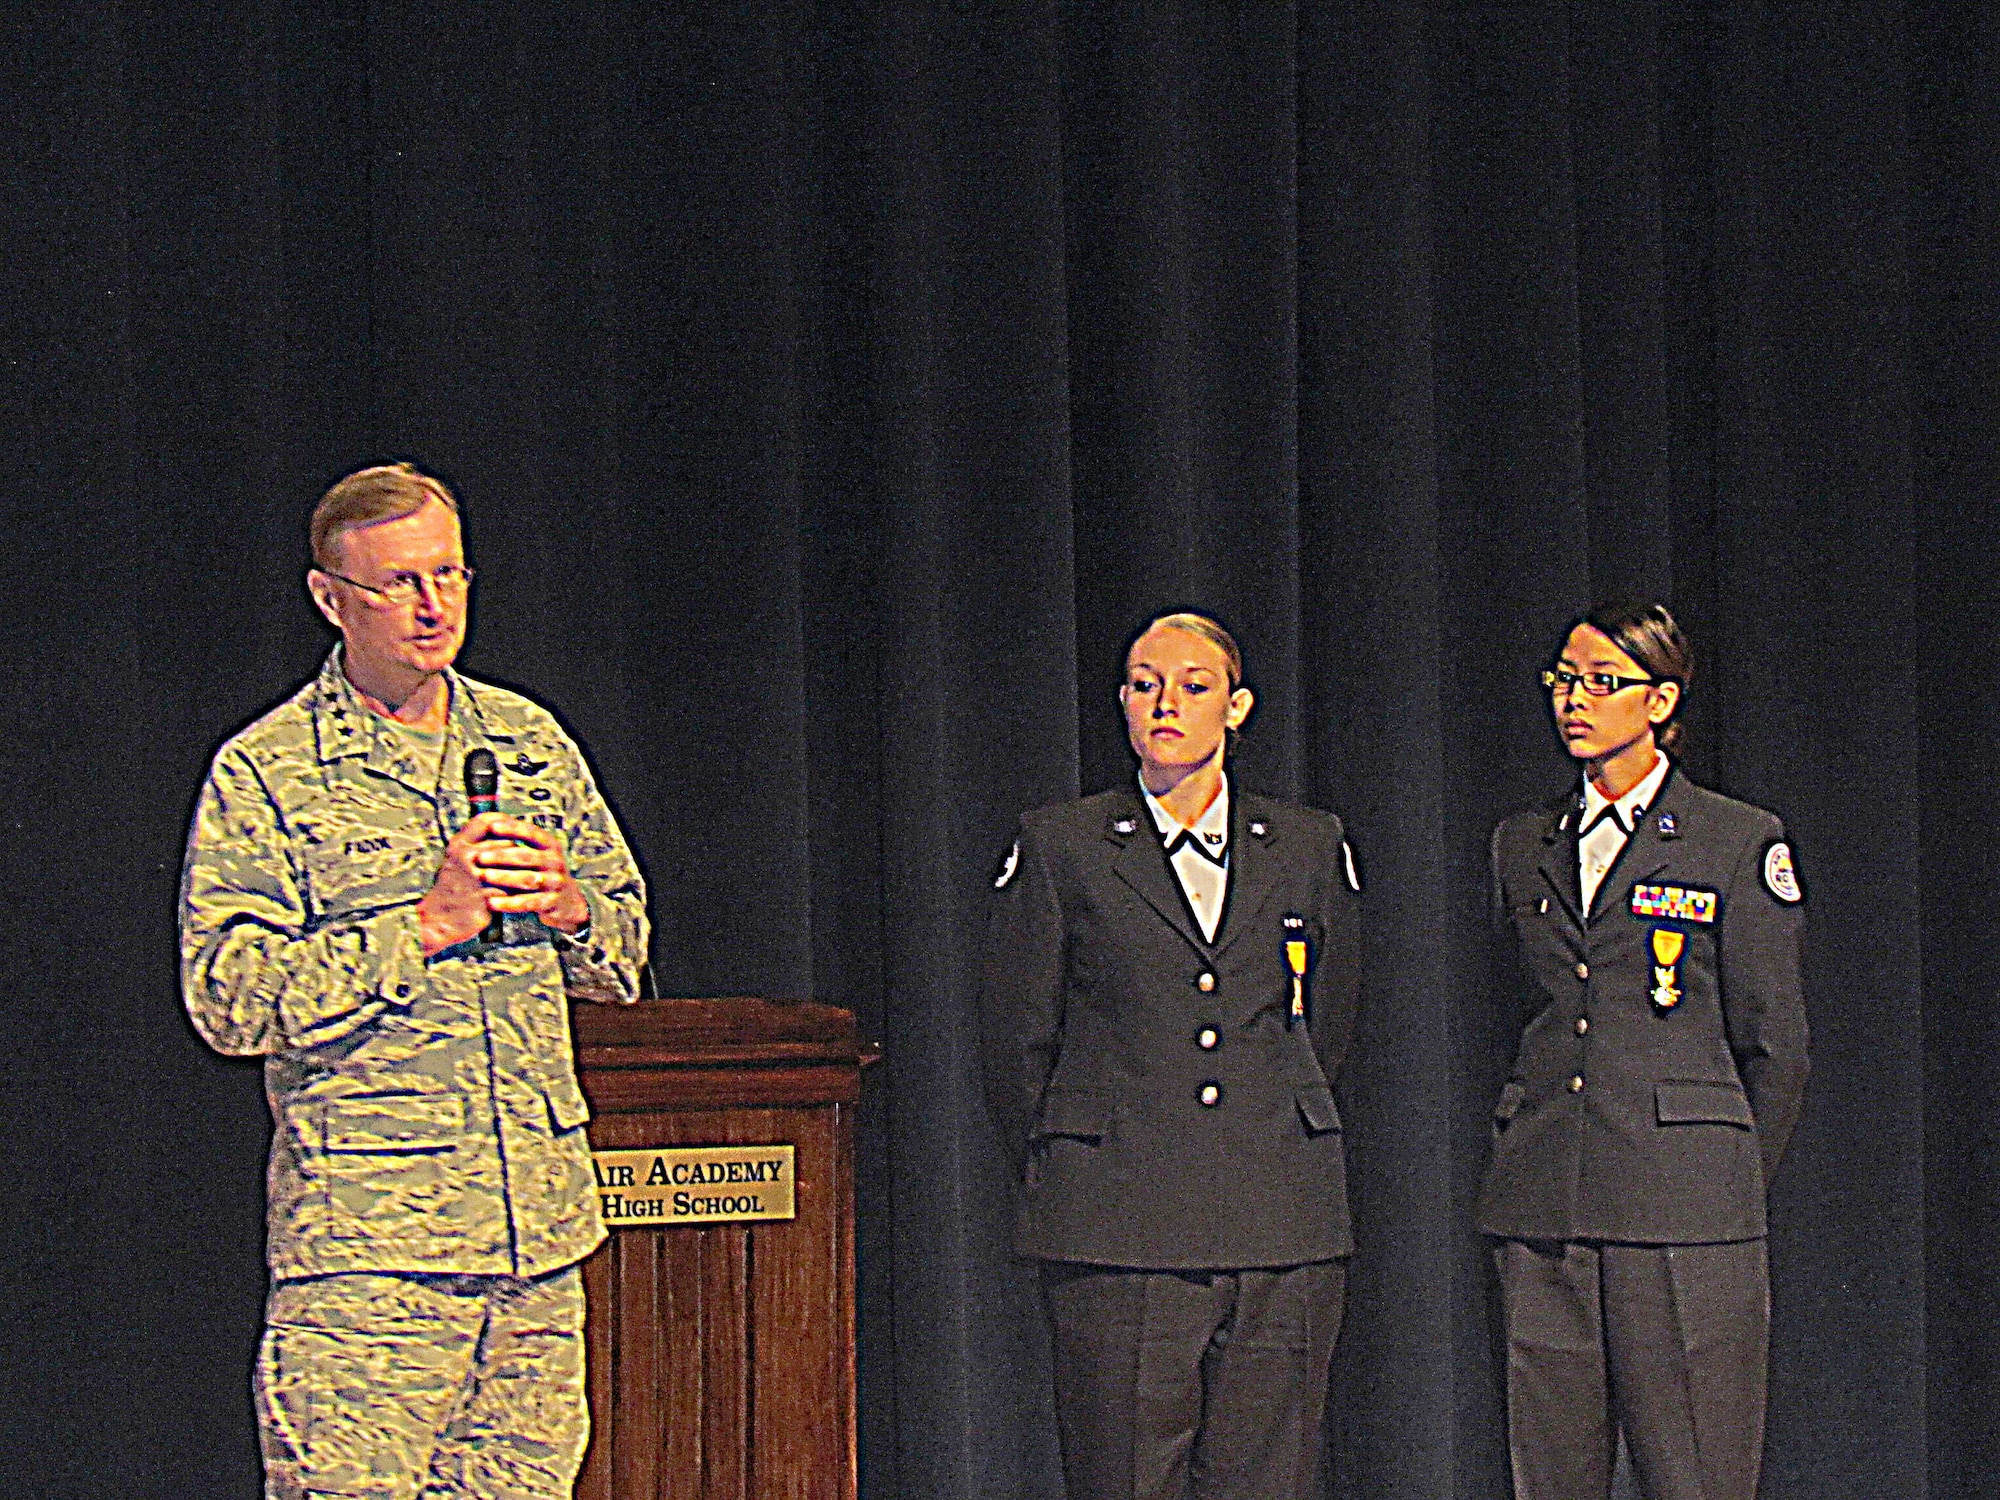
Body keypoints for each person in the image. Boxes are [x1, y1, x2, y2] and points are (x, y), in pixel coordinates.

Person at [179, 463, 648, 1500]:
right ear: (329, 598)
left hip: (535, 1244)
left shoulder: (527, 742)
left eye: (449, 573)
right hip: (371, 1257)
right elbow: (226, 995)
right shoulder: (270, 770)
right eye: (398, 582)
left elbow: (625, 951)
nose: (433, 606)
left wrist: (572, 907)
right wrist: (421, 929)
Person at [980, 611, 1363, 1500]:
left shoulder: (1307, 845)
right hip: (1119, 1224)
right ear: (1121, 702)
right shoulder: (1064, 844)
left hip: (1279, 1221)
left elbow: (1329, 1023)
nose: (1166, 704)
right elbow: (1015, 1045)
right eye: (1146, 684)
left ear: (1237, 708)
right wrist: (1082, 1166)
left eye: (1193, 687)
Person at [1479, 601, 1810, 1500]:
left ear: (1660, 701)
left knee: (1696, 1476)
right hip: (1549, 1204)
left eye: (1601, 683)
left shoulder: (1734, 839)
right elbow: (1521, 1012)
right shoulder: (1524, 842)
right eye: (1564, 680)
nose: (1575, 701)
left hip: (1685, 1213)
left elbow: (1775, 1045)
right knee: (1549, 1477)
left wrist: (1719, 1174)